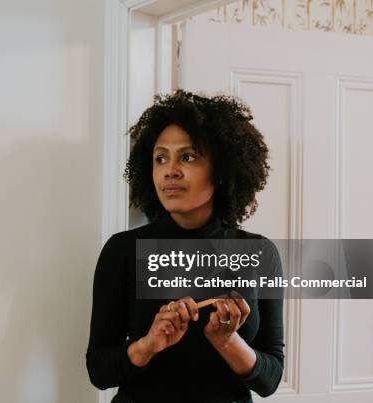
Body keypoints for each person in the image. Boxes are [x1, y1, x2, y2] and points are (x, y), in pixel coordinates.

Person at [86, 91, 284, 403]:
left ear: (220, 170)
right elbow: (99, 371)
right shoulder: (123, 250)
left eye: (188, 157)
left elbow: (270, 379)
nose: (170, 170)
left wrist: (227, 341)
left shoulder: (260, 253)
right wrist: (149, 344)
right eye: (160, 158)